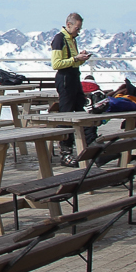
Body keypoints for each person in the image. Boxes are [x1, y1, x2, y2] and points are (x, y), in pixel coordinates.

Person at [49, 13, 94, 166]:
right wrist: (75, 59)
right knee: (67, 116)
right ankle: (65, 152)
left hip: (74, 78)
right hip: (65, 80)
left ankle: (85, 146)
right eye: (77, 28)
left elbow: (72, 62)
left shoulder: (72, 39)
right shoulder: (60, 39)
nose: (78, 31)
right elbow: (56, 64)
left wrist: (80, 58)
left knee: (81, 111)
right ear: (69, 25)